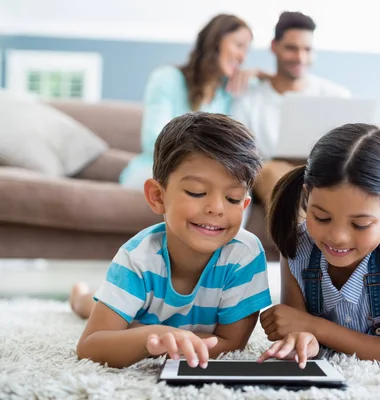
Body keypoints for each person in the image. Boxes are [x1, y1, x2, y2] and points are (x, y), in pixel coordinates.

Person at [71, 112, 271, 369]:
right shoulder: (137, 257)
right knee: (91, 305)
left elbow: (230, 345)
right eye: (197, 192)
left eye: (233, 198)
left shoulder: (245, 254)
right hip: (135, 312)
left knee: (122, 321)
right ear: (157, 196)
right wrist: (148, 338)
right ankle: (79, 296)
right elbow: (90, 347)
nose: (216, 208)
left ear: (244, 204)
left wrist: (161, 339)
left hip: (143, 322)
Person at [257, 123, 380, 368]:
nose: (338, 237)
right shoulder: (297, 245)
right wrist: (301, 338)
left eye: (361, 224)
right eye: (322, 218)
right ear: (306, 198)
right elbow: (297, 329)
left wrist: (313, 326)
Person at [120, 14, 267, 191]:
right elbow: (153, 139)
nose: (243, 58)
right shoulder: (168, 78)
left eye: (246, 51)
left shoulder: (229, 92)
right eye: (238, 46)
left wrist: (258, 73)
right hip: (158, 169)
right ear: (215, 42)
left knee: (237, 187)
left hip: (212, 172)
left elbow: (278, 85)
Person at [231, 11, 351, 209]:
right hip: (272, 172)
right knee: (273, 173)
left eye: (307, 49)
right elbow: (238, 154)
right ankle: (300, 237)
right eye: (291, 48)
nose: (300, 57)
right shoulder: (249, 99)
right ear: (274, 47)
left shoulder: (336, 95)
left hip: (324, 171)